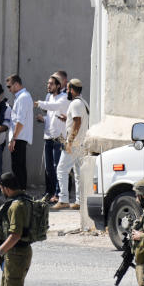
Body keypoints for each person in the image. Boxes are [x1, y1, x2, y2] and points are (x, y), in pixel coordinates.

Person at [53, 79, 90, 210]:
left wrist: (69, 141)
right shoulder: (82, 102)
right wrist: (66, 119)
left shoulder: (75, 104)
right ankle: (79, 201)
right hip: (81, 143)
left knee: (61, 169)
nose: (66, 91)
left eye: (68, 89)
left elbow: (77, 122)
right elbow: (76, 120)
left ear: (73, 90)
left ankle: (63, 199)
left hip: (74, 144)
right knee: (78, 173)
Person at [34, 74, 69, 203]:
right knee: (49, 169)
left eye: (51, 84)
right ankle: (51, 192)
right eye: (48, 83)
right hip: (48, 137)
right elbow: (51, 115)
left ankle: (59, 194)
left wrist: (39, 103)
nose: (48, 86)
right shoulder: (49, 97)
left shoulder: (63, 97)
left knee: (58, 167)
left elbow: (53, 107)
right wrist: (43, 119)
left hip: (59, 138)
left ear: (58, 85)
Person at [6, 75, 34, 191]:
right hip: (19, 137)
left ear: (16, 84)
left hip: (19, 138)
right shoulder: (21, 97)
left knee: (18, 168)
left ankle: (20, 193)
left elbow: (20, 121)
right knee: (18, 167)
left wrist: (13, 139)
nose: (9, 89)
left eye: (9, 86)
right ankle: (21, 192)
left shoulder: (23, 97)